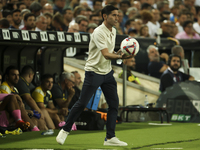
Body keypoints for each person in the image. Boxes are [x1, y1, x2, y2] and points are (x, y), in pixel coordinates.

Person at [56, 5, 132, 146]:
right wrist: (120, 57)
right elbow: (105, 54)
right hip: (94, 72)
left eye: (118, 15)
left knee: (114, 104)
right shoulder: (98, 32)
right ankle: (65, 130)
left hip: (107, 72)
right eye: (114, 15)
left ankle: (110, 138)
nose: (117, 18)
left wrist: (120, 54)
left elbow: (110, 52)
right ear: (105, 16)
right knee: (82, 103)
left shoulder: (114, 30)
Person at [15, 65, 48, 130]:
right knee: (39, 117)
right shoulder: (21, 82)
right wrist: (39, 112)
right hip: (23, 111)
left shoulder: (28, 84)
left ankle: (50, 132)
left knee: (42, 116)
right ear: (30, 75)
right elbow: (28, 99)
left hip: (28, 111)